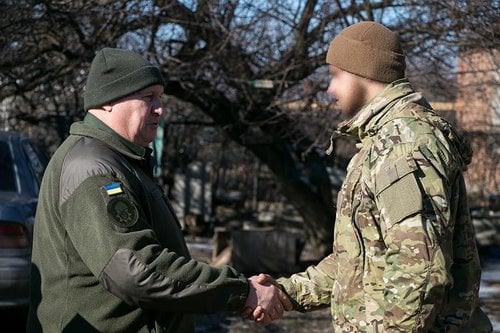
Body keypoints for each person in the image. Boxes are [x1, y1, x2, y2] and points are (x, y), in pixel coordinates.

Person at [27, 47, 291, 332]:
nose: (160, 108)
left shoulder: (120, 160)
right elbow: (136, 270)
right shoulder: (94, 169)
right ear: (108, 102)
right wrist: (240, 291)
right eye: (148, 97)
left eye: (160, 97)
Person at [252, 21, 493, 332]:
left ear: (362, 72)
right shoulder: (381, 142)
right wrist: (285, 292)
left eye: (335, 75)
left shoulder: (404, 144)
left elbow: (417, 270)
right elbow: (356, 262)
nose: (330, 89)